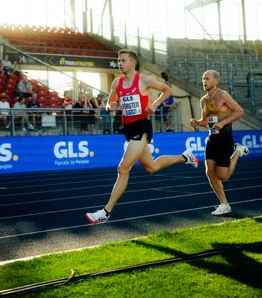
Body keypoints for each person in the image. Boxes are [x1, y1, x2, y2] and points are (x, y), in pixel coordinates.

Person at [85, 49, 199, 225]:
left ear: (133, 62)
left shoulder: (145, 80)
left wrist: (154, 104)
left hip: (142, 127)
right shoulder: (117, 82)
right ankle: (185, 157)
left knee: (123, 168)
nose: (119, 63)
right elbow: (111, 99)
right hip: (128, 128)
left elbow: (167, 90)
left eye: (123, 60)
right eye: (118, 60)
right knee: (151, 167)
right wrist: (110, 105)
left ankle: (105, 212)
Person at [190, 70, 249, 216]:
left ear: (215, 81)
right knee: (210, 172)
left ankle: (237, 152)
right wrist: (196, 122)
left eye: (207, 78)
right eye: (203, 78)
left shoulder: (223, 95)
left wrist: (222, 123)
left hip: (224, 137)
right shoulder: (203, 100)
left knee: (223, 176)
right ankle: (224, 204)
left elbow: (239, 111)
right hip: (212, 138)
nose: (204, 81)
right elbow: (205, 120)